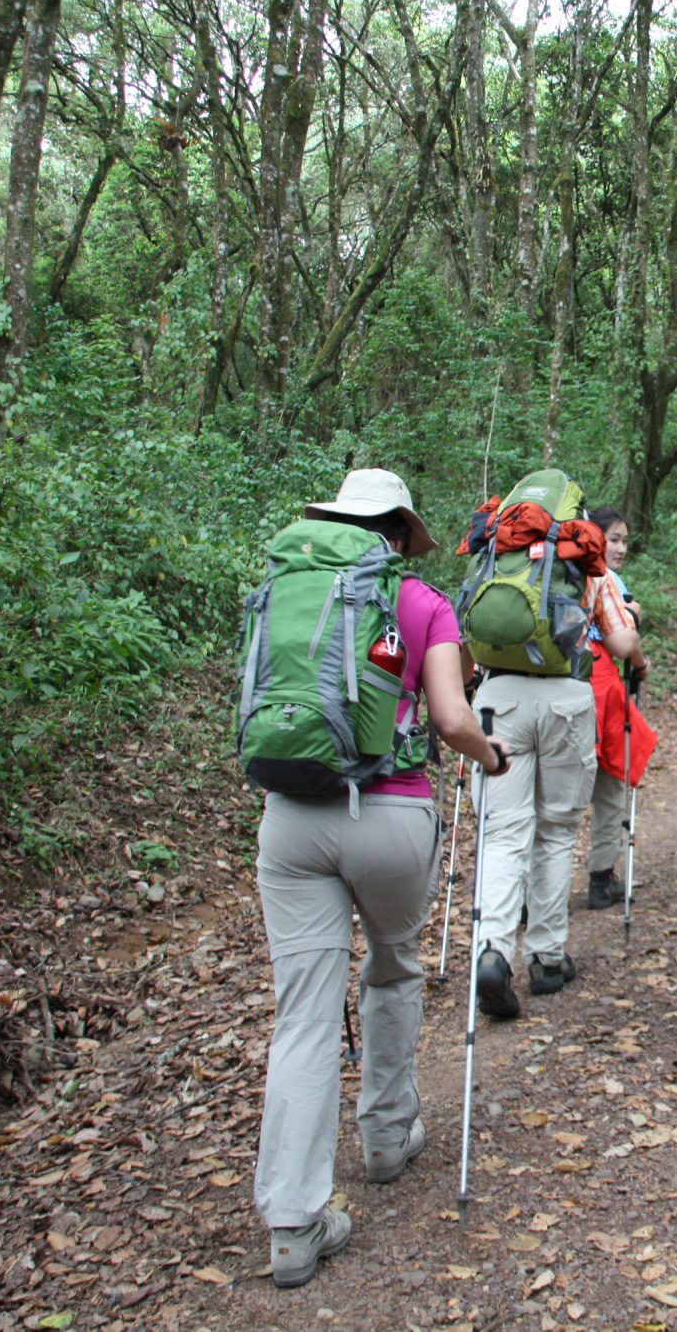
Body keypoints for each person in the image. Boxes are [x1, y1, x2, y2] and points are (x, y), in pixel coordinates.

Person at [249, 469, 511, 1288]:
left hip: (290, 814)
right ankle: (387, 1138)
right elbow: (450, 717)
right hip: (391, 817)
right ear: (399, 531)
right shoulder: (421, 600)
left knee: (303, 1014)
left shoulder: (286, 584)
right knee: (393, 966)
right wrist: (489, 756)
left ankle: (293, 1222)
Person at [466, 474, 647, 1018]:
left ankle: (493, 950)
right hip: (567, 699)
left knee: (503, 831)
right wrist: (635, 642)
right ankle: (546, 957)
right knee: (554, 830)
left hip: (498, 698)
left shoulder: (496, 553)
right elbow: (619, 641)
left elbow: (465, 633)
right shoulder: (581, 560)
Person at [583, 509, 656, 910]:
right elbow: (623, 640)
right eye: (613, 539)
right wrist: (633, 618)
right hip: (600, 685)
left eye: (625, 540)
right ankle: (600, 877)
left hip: (571, 680)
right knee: (611, 781)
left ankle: (527, 894)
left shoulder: (563, 572)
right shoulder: (601, 578)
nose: (621, 548)